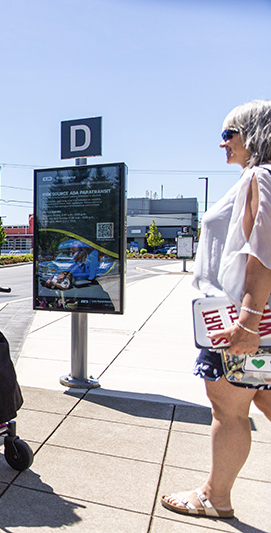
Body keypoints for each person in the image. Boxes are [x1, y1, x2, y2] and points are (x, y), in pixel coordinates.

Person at [161, 100, 271, 519]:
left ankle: (214, 496)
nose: (222, 142)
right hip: (253, 315)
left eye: (230, 133)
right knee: (262, 399)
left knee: (228, 404)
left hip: (246, 318)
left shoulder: (260, 177)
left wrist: (248, 320)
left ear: (255, 134)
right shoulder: (255, 177)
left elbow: (262, 254)